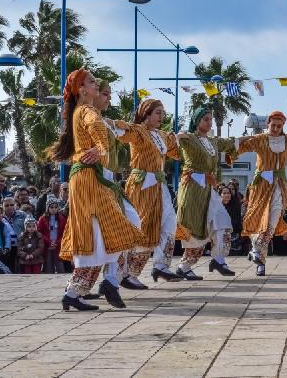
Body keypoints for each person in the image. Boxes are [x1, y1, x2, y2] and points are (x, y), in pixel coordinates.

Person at [45, 68, 144, 310]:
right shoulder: (88, 111)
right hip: (89, 178)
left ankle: (75, 292)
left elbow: (99, 130)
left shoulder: (80, 111)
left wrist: (100, 148)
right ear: (82, 90)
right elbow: (96, 129)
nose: (96, 86)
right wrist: (101, 148)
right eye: (91, 82)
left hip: (89, 178)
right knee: (107, 231)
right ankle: (84, 289)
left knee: (99, 235)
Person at [114, 98, 181, 288]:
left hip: (159, 184)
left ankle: (160, 265)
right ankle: (127, 274)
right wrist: (110, 123)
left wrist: (183, 138)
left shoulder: (161, 135)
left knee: (169, 222)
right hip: (142, 184)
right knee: (143, 227)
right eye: (158, 112)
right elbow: (122, 133)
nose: (162, 116)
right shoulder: (139, 131)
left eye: (162, 112)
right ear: (147, 113)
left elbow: (176, 153)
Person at [234, 111, 287, 277]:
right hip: (260, 186)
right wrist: (234, 145)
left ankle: (257, 251)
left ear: (283, 126)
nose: (275, 128)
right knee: (258, 220)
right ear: (267, 124)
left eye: (279, 126)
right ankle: (259, 258)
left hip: (279, 186)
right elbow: (240, 145)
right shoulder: (260, 139)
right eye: (273, 125)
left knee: (272, 223)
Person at [172, 107, 239, 280]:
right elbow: (172, 140)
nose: (209, 123)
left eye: (210, 119)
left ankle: (218, 259)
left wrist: (258, 138)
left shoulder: (213, 142)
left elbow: (232, 142)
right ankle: (184, 266)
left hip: (209, 190)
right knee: (195, 228)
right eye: (205, 119)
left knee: (222, 222)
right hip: (192, 189)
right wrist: (177, 136)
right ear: (196, 120)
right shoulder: (189, 138)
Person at [37, 200, 67, 274]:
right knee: (48, 265)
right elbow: (39, 232)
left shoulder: (62, 219)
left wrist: (57, 242)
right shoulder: (42, 219)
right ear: (47, 208)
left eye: (56, 207)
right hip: (47, 245)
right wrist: (49, 242)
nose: (54, 209)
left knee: (59, 264)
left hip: (58, 244)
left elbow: (65, 232)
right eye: (51, 207)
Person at [0, 205, 13, 274]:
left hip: (2, 253)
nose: (0, 215)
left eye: (1, 213)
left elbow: (7, 237)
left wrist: (7, 248)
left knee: (4, 270)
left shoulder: (2, 225)